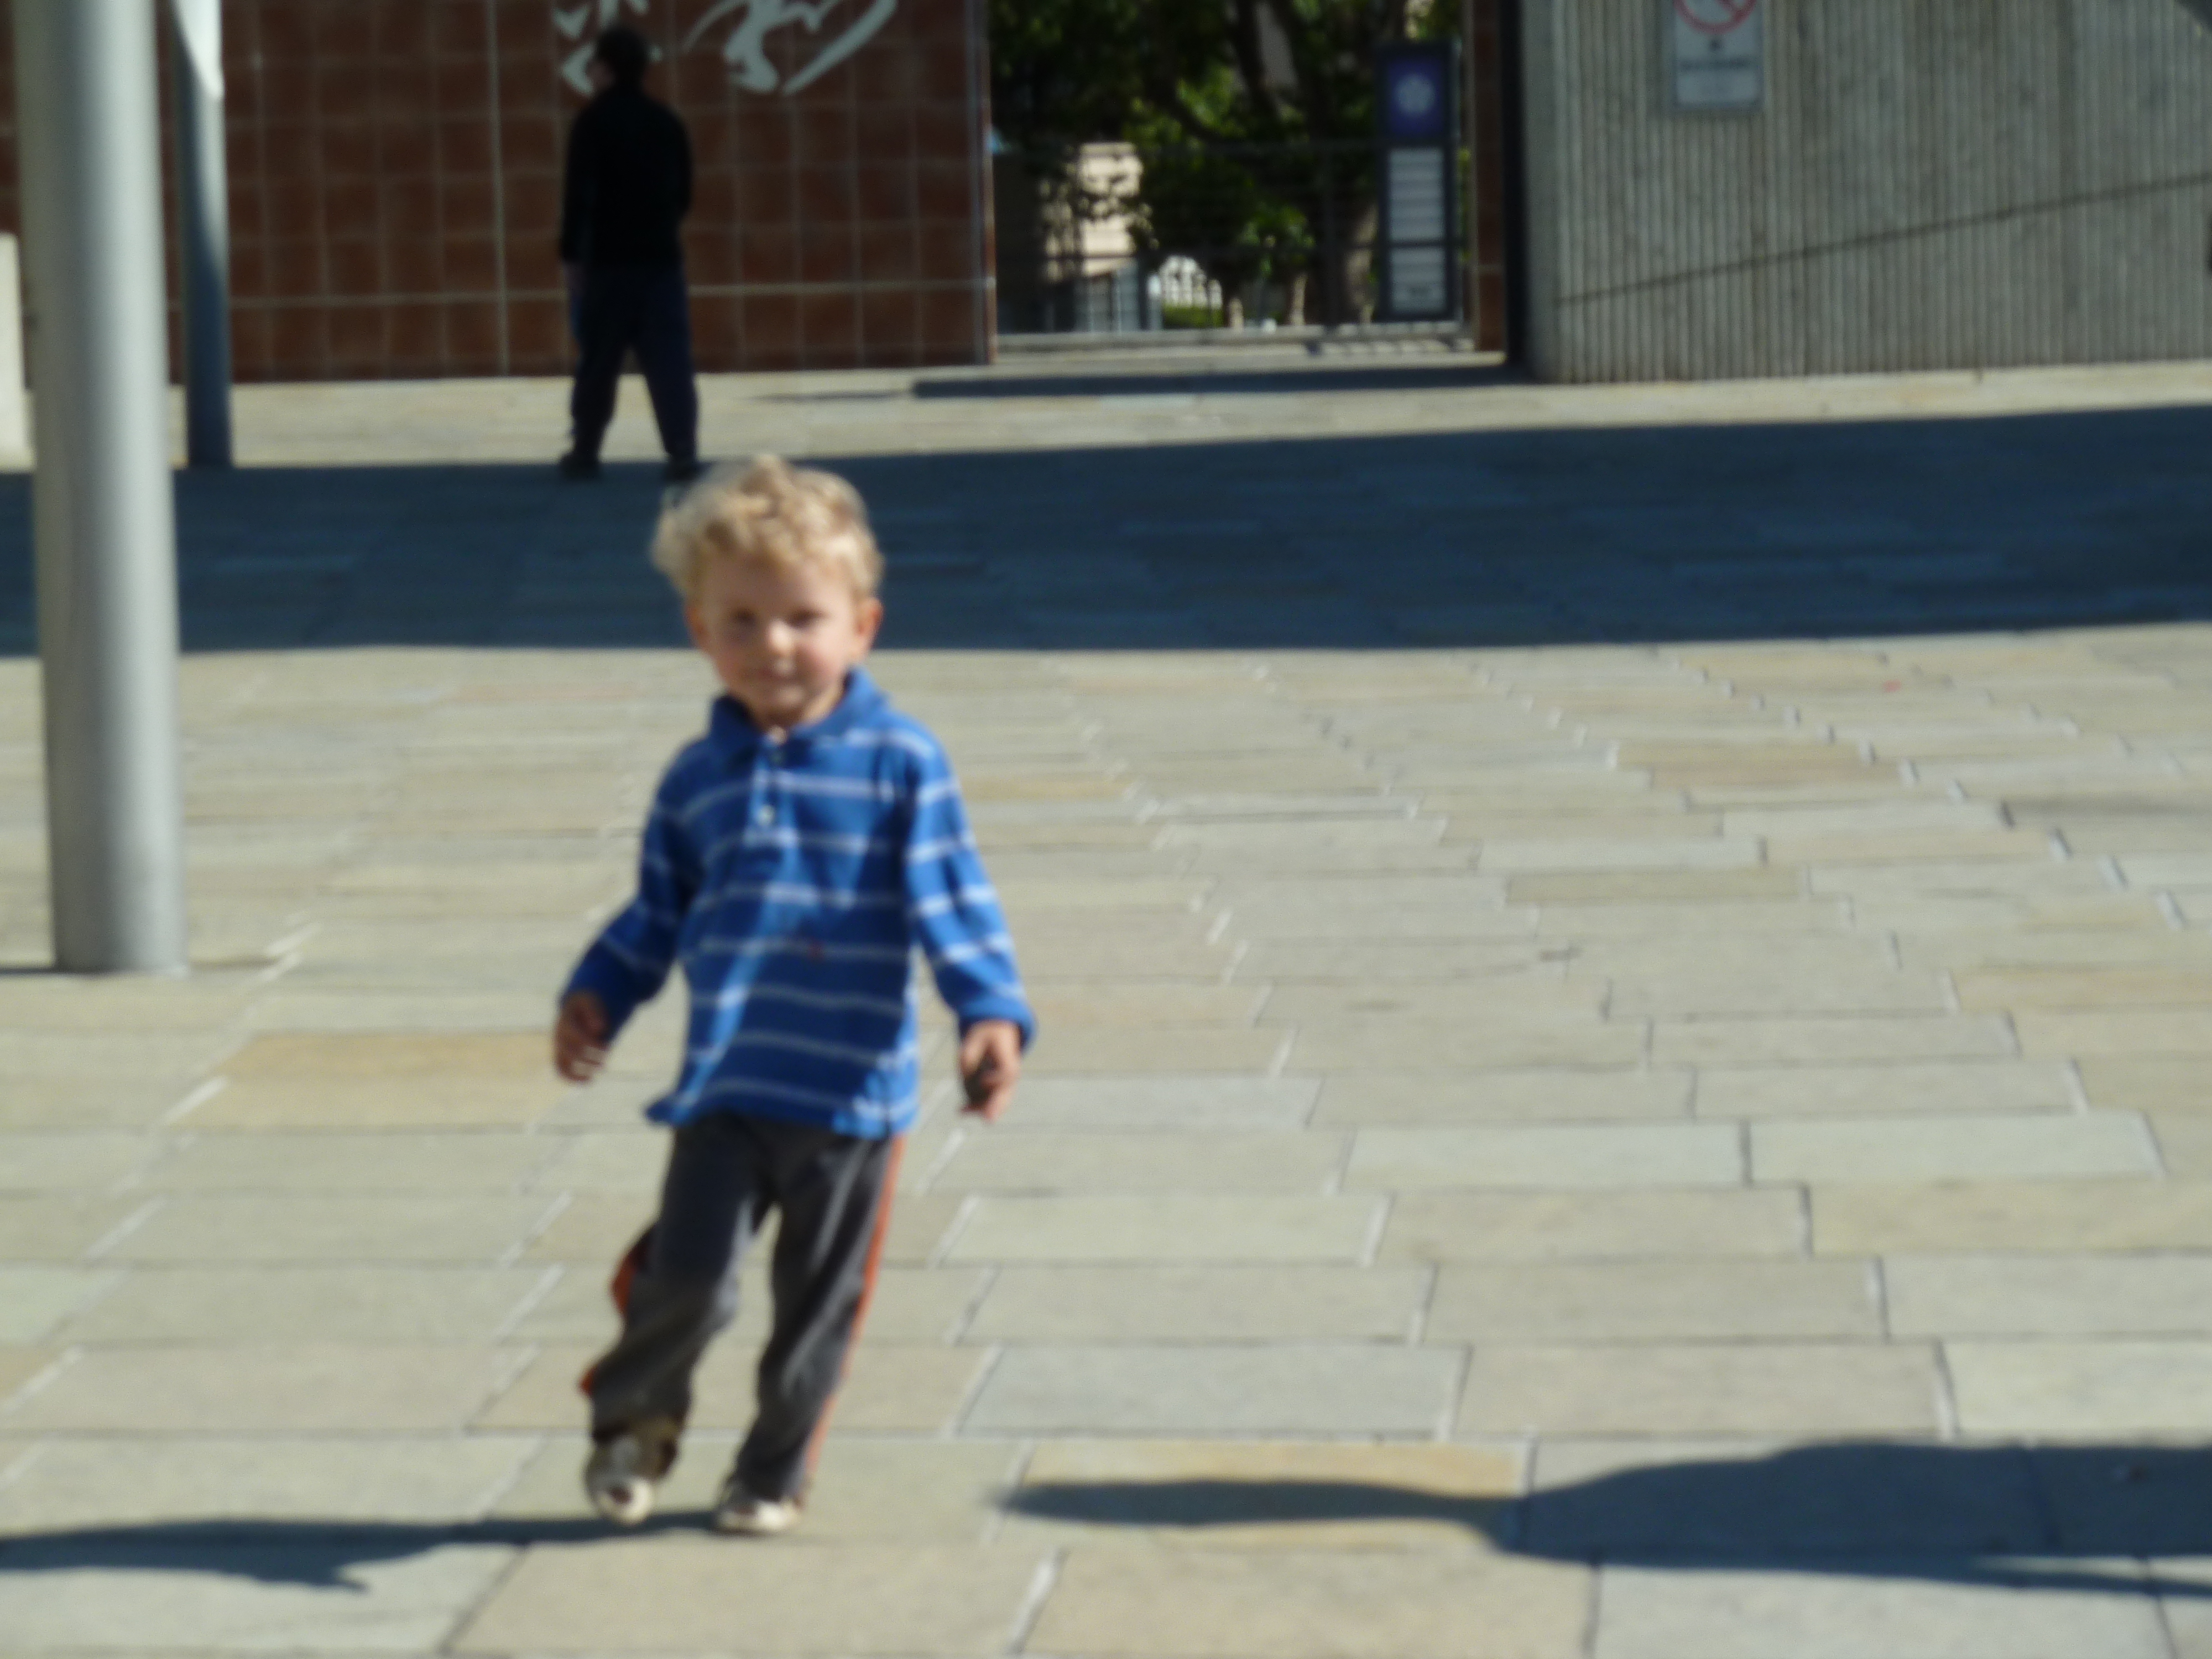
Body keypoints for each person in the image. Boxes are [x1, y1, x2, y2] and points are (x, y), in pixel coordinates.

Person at [552, 456, 1032, 1535]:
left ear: (862, 628)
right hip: (726, 1087)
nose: (772, 644)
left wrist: (989, 1012)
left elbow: (954, 898)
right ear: (699, 631)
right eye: (742, 621)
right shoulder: (696, 780)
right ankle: (633, 1423)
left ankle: (772, 1472)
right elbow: (656, 911)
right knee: (691, 1281)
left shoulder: (901, 764)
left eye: (802, 619)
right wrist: (599, 991)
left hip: (850, 1101)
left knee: (816, 1309)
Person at [557, 24, 703, 484]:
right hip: (660, 260)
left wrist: (572, 256)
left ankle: (586, 449)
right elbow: (684, 192)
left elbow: (578, 197)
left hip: (608, 263)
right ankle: (681, 450)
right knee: (669, 362)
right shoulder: (665, 122)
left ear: (606, 68)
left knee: (599, 360)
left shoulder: (592, 123)